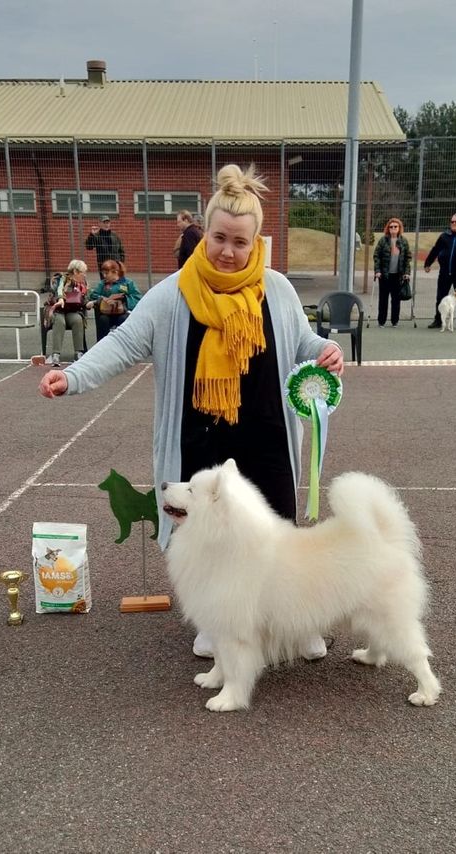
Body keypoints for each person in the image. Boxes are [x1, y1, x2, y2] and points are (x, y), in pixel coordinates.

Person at [39, 163, 344, 660]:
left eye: (240, 242)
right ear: (206, 234)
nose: (228, 251)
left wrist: (323, 352)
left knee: (277, 535)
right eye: (220, 238)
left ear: (256, 241)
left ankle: (295, 622)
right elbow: (122, 344)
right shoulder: (172, 293)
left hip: (267, 435)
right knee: (203, 542)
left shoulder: (279, 289)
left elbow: (304, 342)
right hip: (201, 440)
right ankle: (214, 623)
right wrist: (71, 376)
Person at [45, 260, 89, 366]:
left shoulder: (83, 284)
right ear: (75, 271)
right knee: (60, 322)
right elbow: (59, 290)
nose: (84, 274)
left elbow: (85, 298)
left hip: (72, 311)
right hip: (58, 310)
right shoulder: (61, 279)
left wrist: (88, 303)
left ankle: (78, 353)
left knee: (78, 320)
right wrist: (60, 298)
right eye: (83, 272)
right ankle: (56, 355)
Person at [86, 260, 142, 340]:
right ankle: (103, 344)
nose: (104, 276)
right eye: (103, 273)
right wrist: (103, 298)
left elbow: (137, 298)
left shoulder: (128, 283)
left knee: (123, 319)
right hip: (107, 312)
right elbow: (93, 295)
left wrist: (124, 299)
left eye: (106, 273)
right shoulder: (103, 284)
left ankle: (124, 343)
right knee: (103, 320)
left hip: (123, 312)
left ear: (115, 272)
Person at [373, 218, 412, 328]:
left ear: (399, 228)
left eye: (396, 226)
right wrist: (377, 271)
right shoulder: (383, 240)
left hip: (398, 275)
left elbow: (407, 258)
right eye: (391, 227)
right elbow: (377, 256)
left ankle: (395, 321)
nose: (393, 229)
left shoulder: (403, 241)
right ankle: (381, 321)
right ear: (388, 228)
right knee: (383, 299)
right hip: (385, 275)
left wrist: (407, 272)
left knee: (396, 299)